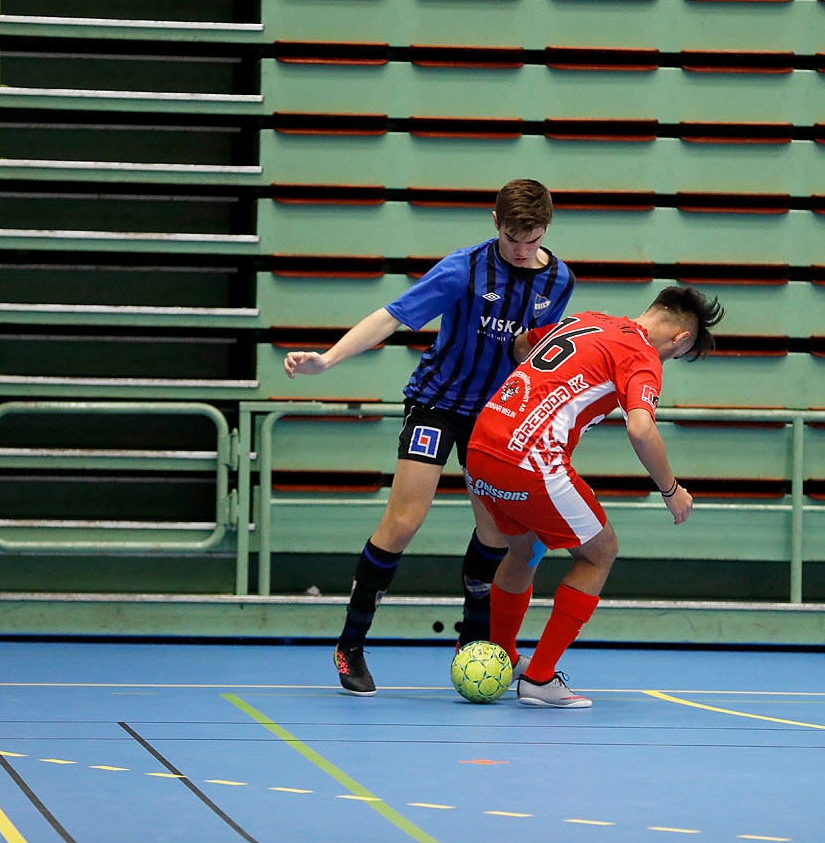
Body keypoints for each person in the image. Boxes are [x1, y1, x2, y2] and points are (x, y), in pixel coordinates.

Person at [282, 179, 576, 695]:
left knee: (498, 536)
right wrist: (326, 360)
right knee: (402, 523)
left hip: (497, 416)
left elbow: (532, 355)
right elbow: (391, 316)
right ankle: (350, 644)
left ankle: (474, 639)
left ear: (547, 228)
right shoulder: (463, 268)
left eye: (532, 239)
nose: (522, 249)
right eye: (512, 238)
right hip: (437, 404)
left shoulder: (559, 280)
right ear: (495, 223)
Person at [465, 286, 722, 708]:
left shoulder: (586, 319)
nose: (669, 361)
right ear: (680, 339)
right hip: (532, 457)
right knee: (600, 552)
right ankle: (540, 677)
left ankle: (504, 657)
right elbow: (640, 428)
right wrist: (671, 490)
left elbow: (520, 346)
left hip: (483, 444)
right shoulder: (641, 354)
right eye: (676, 356)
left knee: (525, 549)